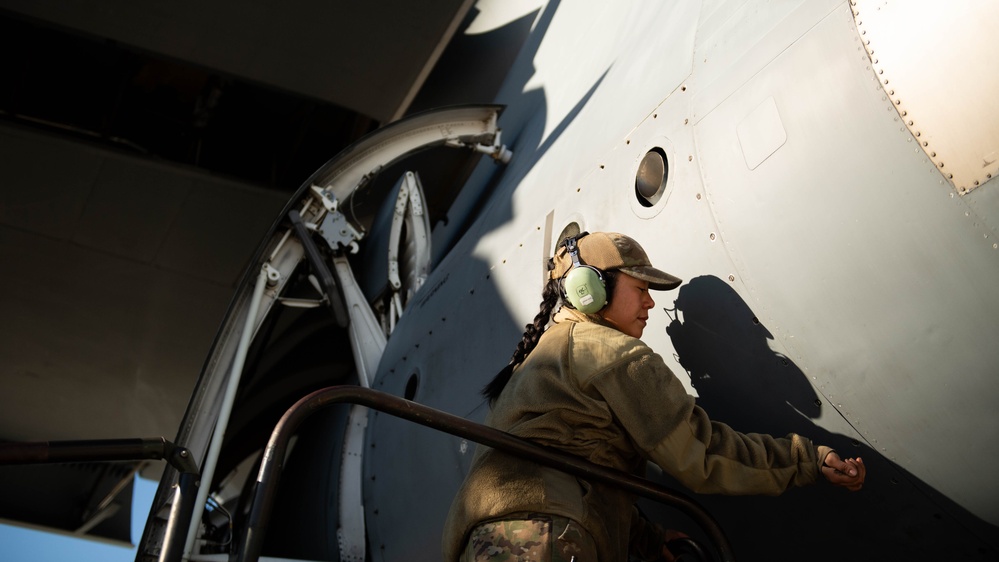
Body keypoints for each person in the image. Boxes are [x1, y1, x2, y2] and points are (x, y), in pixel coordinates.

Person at [442, 231, 866, 562]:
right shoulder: (612, 353)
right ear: (592, 288)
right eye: (640, 288)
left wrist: (646, 539)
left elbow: (578, 465)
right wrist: (807, 459)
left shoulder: (548, 355)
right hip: (545, 538)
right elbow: (700, 453)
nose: (648, 303)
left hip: (488, 540)